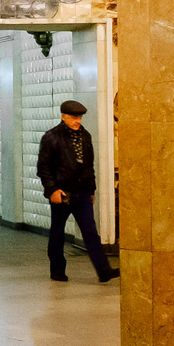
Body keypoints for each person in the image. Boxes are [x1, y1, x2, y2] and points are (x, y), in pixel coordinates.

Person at [37, 100, 116, 283]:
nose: (77, 121)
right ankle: (57, 270)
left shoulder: (85, 136)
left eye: (79, 118)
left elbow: (89, 166)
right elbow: (43, 168)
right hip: (62, 193)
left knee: (90, 232)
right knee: (57, 232)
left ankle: (103, 271)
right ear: (63, 116)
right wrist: (52, 190)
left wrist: (92, 189)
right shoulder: (51, 137)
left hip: (82, 193)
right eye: (74, 117)